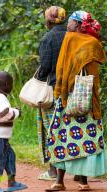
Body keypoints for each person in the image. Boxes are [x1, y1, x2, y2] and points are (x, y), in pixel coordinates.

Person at [45, 11, 107, 192]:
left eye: (72, 22)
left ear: (80, 25)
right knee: (86, 137)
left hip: (68, 96)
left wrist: (61, 91)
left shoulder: (70, 39)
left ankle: (60, 181)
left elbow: (63, 67)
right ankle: (83, 181)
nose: (68, 25)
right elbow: (94, 73)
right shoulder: (93, 43)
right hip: (86, 97)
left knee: (61, 135)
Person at [0, 71, 28, 192]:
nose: (12, 87)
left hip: (0, 136)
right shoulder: (0, 98)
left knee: (9, 156)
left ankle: (12, 182)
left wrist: (12, 110)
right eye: (11, 84)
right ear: (7, 84)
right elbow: (4, 115)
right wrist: (17, 112)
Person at [36, 5, 67, 181]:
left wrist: (39, 76)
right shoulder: (73, 36)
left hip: (53, 89)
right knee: (69, 127)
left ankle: (53, 171)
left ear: (48, 20)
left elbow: (45, 67)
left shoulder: (48, 38)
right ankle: (78, 172)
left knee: (51, 128)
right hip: (72, 90)